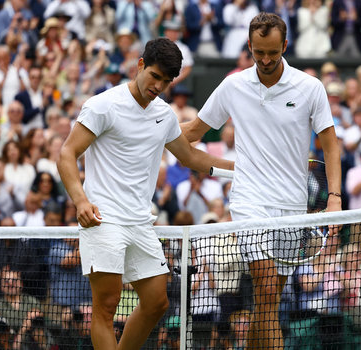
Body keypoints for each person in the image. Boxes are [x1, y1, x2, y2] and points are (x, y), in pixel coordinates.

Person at [57, 38, 233, 350]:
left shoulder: (164, 115)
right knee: (107, 307)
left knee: (157, 303)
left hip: (140, 222)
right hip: (103, 219)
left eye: (166, 81)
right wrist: (80, 201)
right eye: (154, 75)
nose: (158, 85)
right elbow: (66, 154)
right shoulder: (103, 105)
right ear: (140, 65)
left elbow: (191, 158)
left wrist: (243, 169)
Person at [181, 13, 341, 349]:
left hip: (293, 205)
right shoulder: (233, 85)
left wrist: (335, 197)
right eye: (258, 53)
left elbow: (329, 142)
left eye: (272, 52)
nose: (265, 60)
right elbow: (191, 133)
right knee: (267, 288)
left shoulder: (311, 87)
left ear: (285, 46)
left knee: (269, 301)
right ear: (249, 47)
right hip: (249, 200)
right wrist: (147, 135)